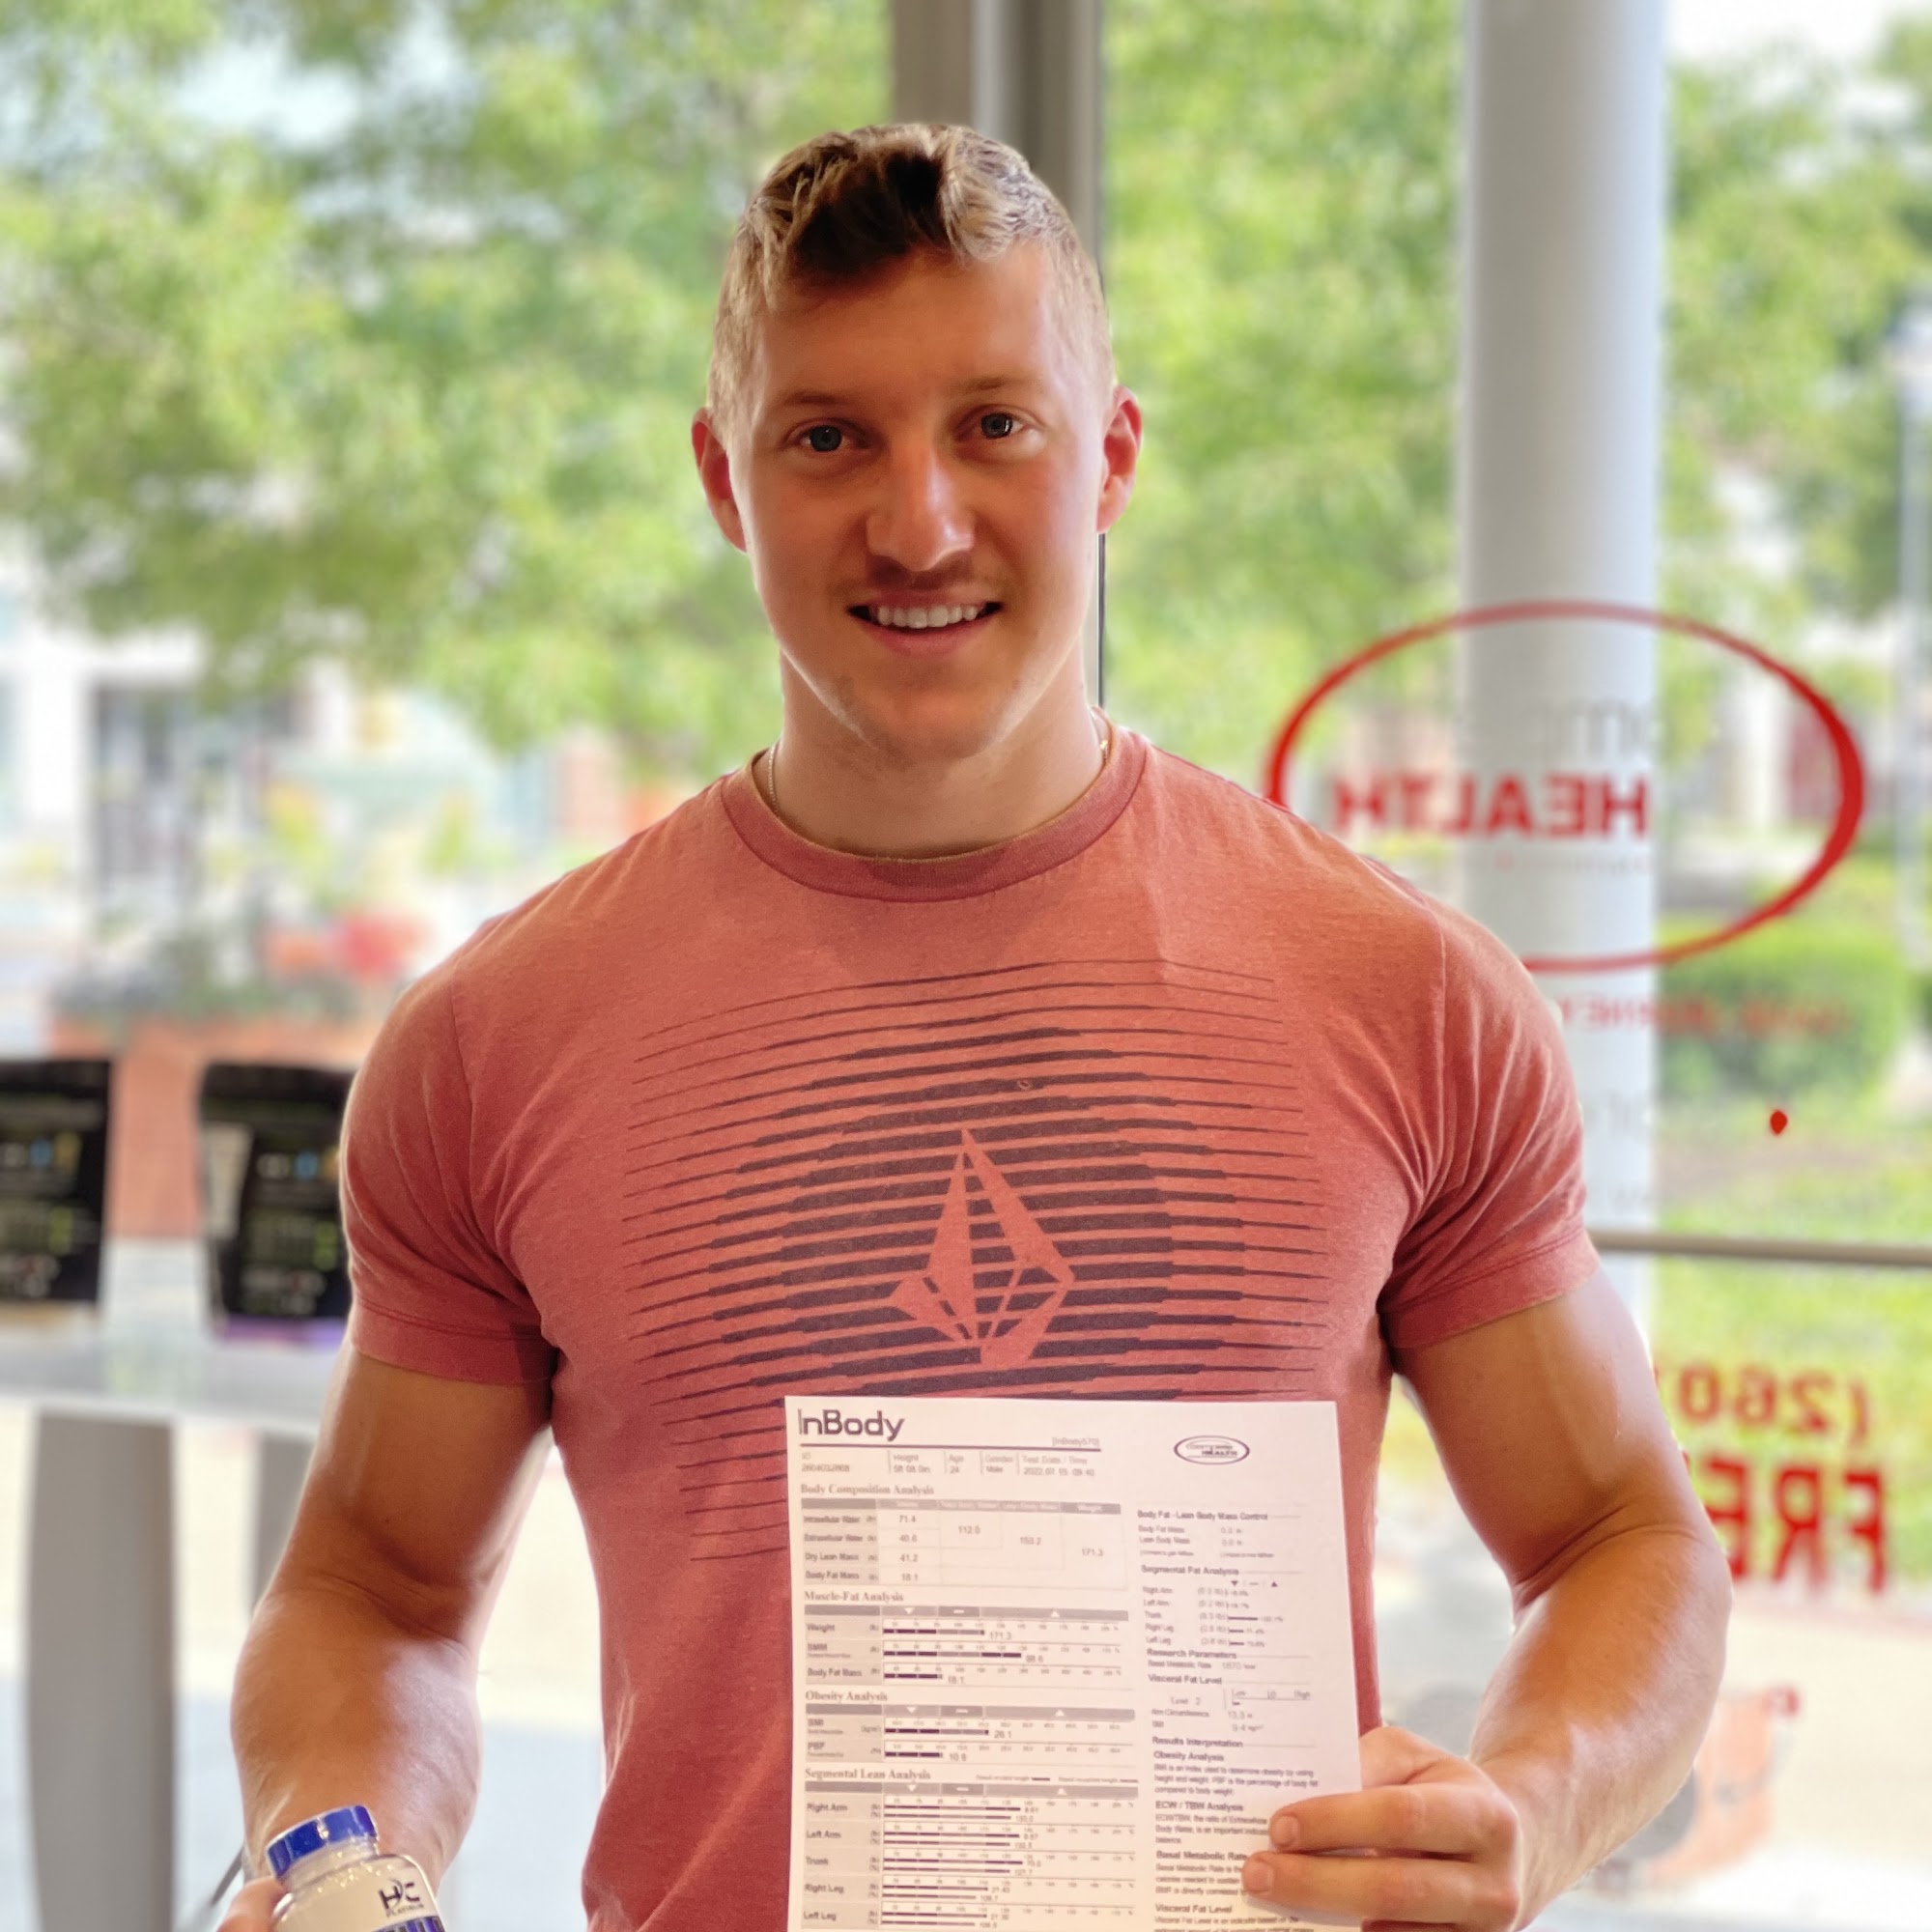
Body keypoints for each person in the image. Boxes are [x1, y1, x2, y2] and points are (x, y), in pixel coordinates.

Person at [220, 123, 1729, 1932]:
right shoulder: (493, 1045)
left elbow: (1620, 1537)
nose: (919, 522)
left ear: (1113, 459)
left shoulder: (1410, 1000)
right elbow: (376, 1593)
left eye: (995, 424)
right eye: (828, 437)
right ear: (723, 480)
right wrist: (334, 1866)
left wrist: (1537, 1809)